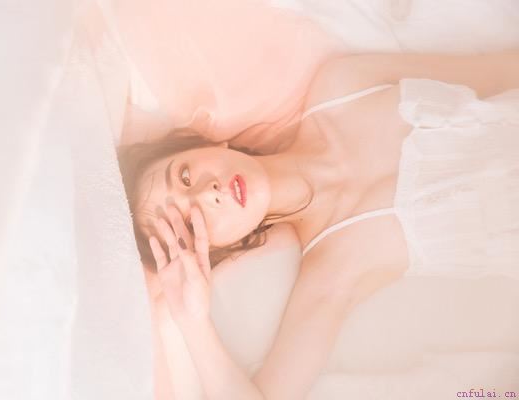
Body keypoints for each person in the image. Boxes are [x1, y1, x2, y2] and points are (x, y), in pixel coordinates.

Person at [117, 52, 519, 400]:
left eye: (185, 175)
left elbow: (498, 70)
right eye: (192, 222)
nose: (209, 193)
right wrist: (193, 321)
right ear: (219, 249)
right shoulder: (332, 272)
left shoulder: (342, 83)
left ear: (207, 144)